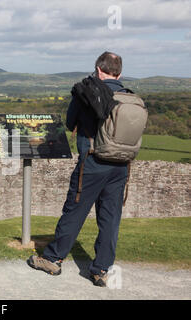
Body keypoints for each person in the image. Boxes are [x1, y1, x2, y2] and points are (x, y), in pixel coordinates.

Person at [28, 52, 129, 287]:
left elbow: (70, 123)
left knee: (74, 211)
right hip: (121, 166)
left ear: (98, 69)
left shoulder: (86, 92)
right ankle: (102, 269)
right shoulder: (129, 97)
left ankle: (53, 259)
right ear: (120, 73)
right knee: (110, 219)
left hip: (92, 163)